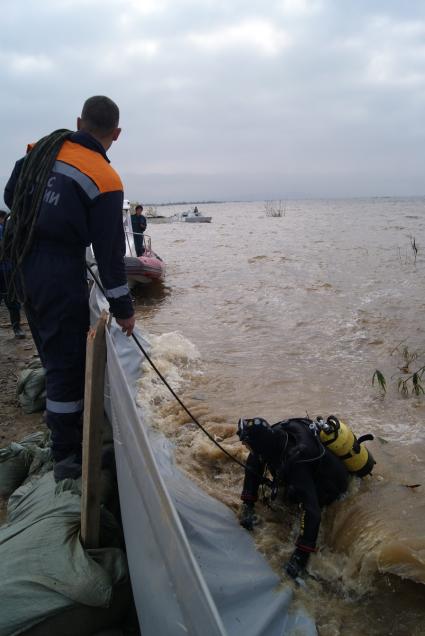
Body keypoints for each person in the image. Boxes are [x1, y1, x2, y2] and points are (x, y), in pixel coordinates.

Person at [3, 95, 135, 481]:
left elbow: (11, 196)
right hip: (58, 269)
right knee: (66, 365)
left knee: (48, 347)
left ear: (79, 121)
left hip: (21, 261)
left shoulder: (39, 151)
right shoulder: (105, 179)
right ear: (117, 133)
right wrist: (124, 310)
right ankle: (67, 461)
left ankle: (63, 434)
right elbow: (109, 254)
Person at [237, 416, 349, 580]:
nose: (244, 446)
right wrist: (248, 505)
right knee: (256, 458)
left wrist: (300, 556)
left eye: (247, 444)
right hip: (309, 470)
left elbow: (312, 511)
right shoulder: (271, 438)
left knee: (295, 497)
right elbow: (254, 459)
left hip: (331, 485)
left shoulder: (296, 462)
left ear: (259, 444)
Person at [0, 210, 25, 339]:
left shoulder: (8, 228)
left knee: (12, 300)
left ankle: (17, 327)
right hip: (6, 269)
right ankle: (17, 328)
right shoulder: (6, 228)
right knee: (12, 300)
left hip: (8, 269)